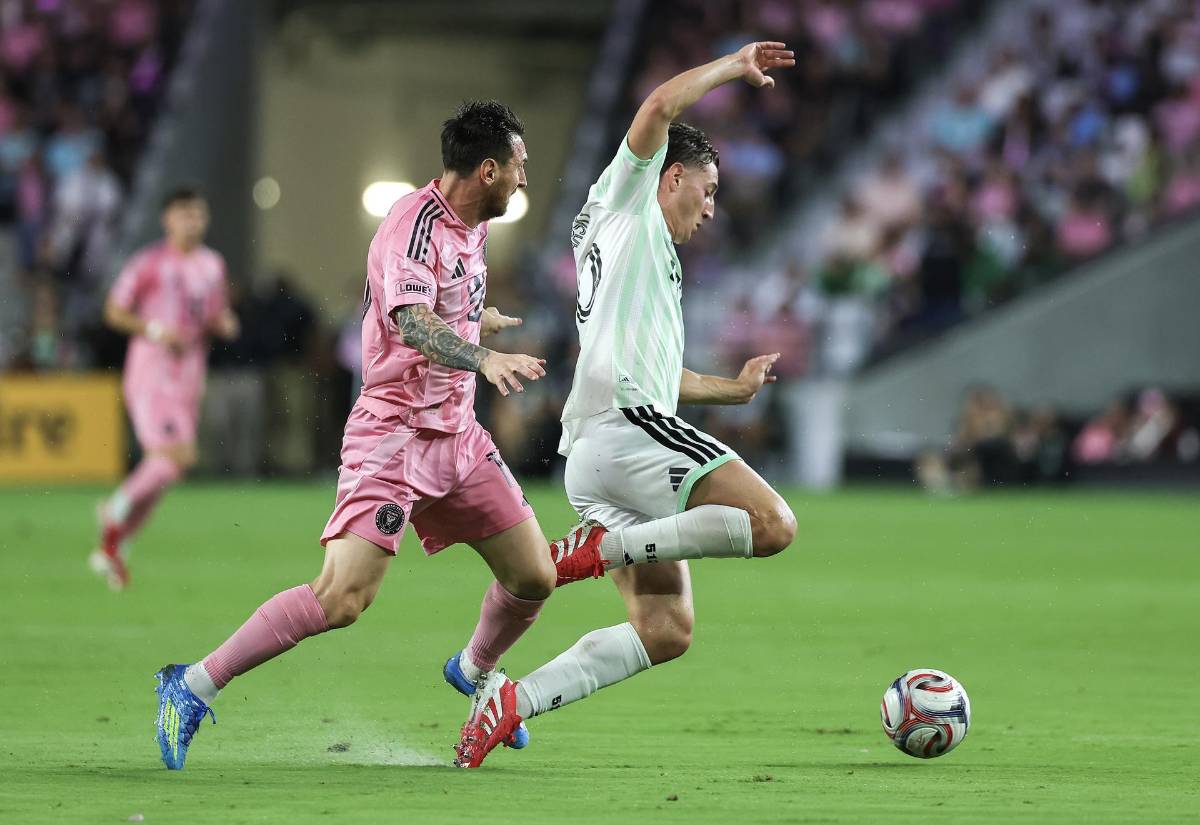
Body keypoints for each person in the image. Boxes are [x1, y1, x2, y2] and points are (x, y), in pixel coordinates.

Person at [153, 101, 558, 771]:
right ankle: (190, 684)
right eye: (519, 167)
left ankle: (473, 667)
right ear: (487, 170)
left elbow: (437, 301)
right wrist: (481, 357)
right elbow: (410, 321)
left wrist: (476, 319)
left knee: (533, 575)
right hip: (394, 434)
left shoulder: (474, 223)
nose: (524, 180)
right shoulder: (412, 224)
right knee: (341, 597)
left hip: (456, 435)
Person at [447, 42, 799, 753]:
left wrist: (734, 388)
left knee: (665, 628)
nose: (710, 209)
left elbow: (660, 372)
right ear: (671, 177)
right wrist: (733, 66)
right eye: (708, 190)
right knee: (772, 524)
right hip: (630, 428)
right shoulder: (627, 197)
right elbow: (658, 108)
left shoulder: (647, 256)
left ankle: (511, 702)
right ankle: (603, 548)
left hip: (602, 449)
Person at [91, 188, 239, 589]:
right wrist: (155, 329)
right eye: (183, 213)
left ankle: (115, 545)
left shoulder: (212, 265)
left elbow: (214, 314)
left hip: (190, 373)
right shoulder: (149, 263)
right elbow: (113, 311)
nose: (192, 220)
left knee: (172, 466)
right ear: (167, 219)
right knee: (175, 455)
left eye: (197, 213)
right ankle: (114, 512)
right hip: (152, 372)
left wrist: (224, 323)